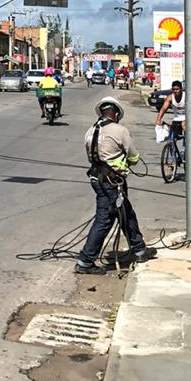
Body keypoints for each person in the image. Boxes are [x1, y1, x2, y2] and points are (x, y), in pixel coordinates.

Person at [74, 96, 151, 273]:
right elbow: (133, 156)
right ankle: (85, 261)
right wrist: (127, 162)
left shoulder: (90, 131)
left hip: (97, 179)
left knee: (125, 213)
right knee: (105, 219)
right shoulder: (119, 130)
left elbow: (90, 157)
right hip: (111, 182)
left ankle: (139, 249)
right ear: (115, 113)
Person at [155, 79, 186, 155]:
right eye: (174, 89)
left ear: (181, 89)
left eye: (177, 89)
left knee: (185, 130)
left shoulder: (186, 96)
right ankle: (173, 157)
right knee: (171, 136)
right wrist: (158, 119)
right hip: (177, 118)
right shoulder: (170, 98)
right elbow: (163, 109)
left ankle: (185, 149)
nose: (175, 91)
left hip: (187, 118)